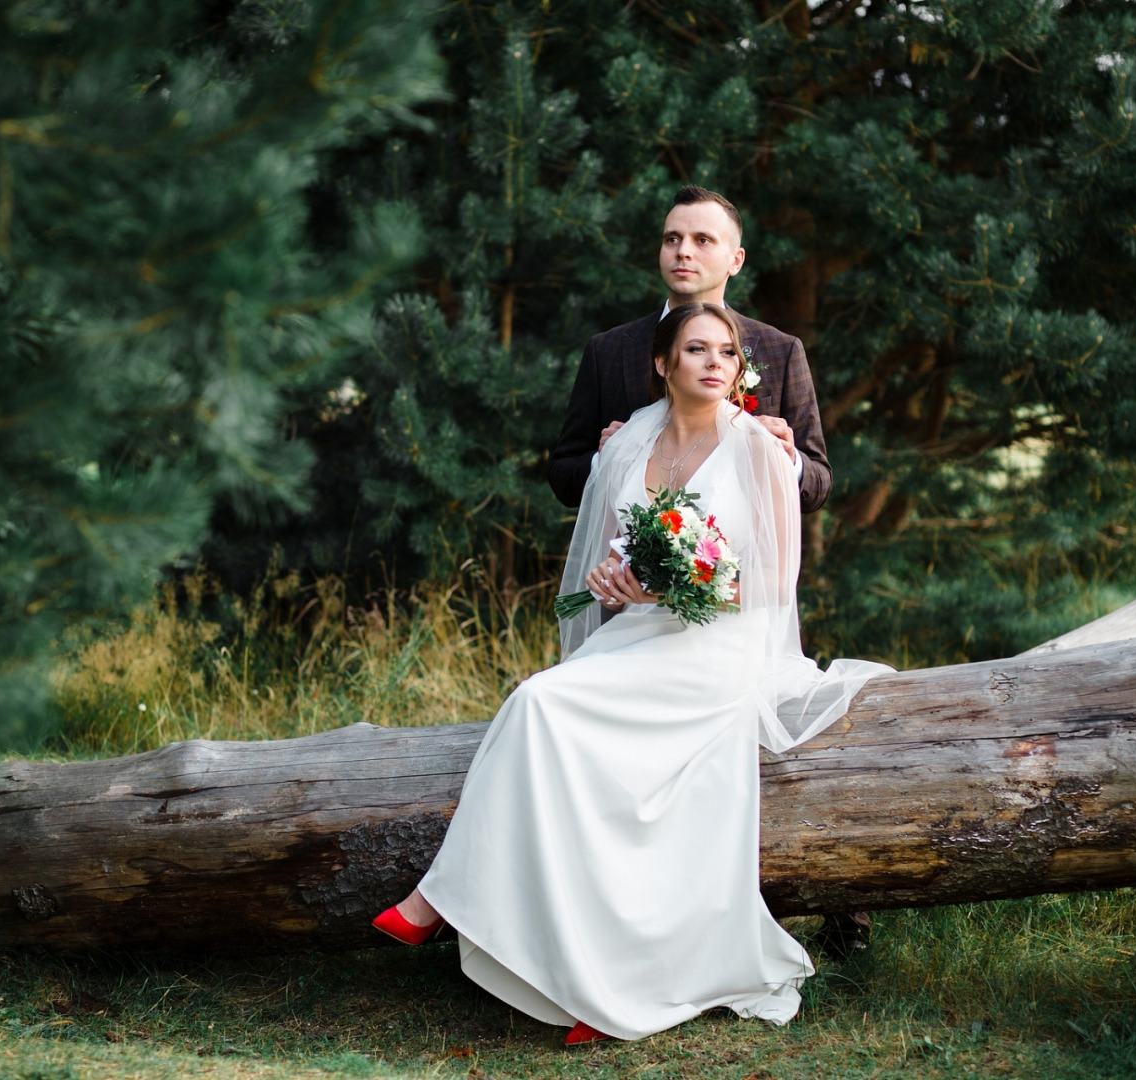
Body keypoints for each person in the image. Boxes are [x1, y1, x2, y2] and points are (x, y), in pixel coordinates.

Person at [371, 303, 893, 1045]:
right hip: (644, 637)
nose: (715, 363)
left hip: (721, 648)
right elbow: (606, 566)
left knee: (547, 709)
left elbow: (771, 586)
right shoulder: (626, 446)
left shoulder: (758, 451)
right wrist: (616, 584)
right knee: (536, 705)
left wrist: (664, 586)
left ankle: (436, 900)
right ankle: (575, 966)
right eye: (695, 349)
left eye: (727, 352)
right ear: (663, 362)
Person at [547, 186, 831, 514]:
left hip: (736, 560)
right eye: (672, 239)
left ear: (736, 260)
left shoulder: (780, 351)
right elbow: (563, 479)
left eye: (702, 240)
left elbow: (818, 484)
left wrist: (789, 460)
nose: (683, 251)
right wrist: (605, 459)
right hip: (628, 559)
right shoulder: (608, 350)